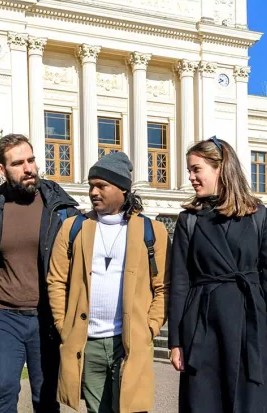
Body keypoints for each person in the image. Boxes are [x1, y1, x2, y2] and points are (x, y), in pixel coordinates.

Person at [168, 137, 267, 413]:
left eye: (196, 169)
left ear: (221, 168)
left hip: (253, 328)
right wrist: (176, 341)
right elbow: (179, 284)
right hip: (202, 327)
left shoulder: (260, 217)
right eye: (190, 170)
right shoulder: (188, 220)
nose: (190, 177)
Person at [0, 134, 79, 413]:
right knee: (2, 390)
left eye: (31, 160)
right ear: (2, 169)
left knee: (45, 396)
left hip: (47, 317)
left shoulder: (61, 209)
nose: (28, 168)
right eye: (18, 163)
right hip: (3, 316)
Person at [48, 152, 170, 413]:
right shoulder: (73, 228)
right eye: (91, 185)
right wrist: (64, 325)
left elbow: (162, 287)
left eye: (101, 185)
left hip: (128, 341)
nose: (93, 192)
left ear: (123, 190)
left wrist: (149, 328)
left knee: (132, 409)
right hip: (87, 342)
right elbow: (56, 281)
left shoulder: (153, 231)